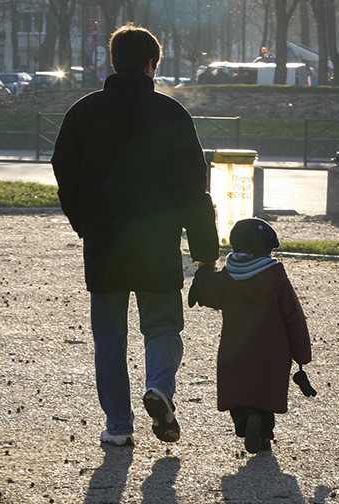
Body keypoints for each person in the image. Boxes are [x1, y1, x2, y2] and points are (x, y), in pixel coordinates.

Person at [51, 24, 219, 447]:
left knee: (109, 339)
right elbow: (193, 189)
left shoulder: (83, 112)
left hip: (104, 244)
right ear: (151, 65)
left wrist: (82, 220)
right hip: (157, 244)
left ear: (113, 62)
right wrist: (205, 252)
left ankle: (119, 426)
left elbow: (64, 171)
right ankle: (159, 386)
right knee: (162, 328)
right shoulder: (172, 114)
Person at [189, 218, 314, 454]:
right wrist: (302, 355)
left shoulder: (228, 278)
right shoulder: (277, 280)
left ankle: (246, 421)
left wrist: (205, 269)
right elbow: (294, 318)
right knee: (266, 393)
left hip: (235, 350)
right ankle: (264, 431)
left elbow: (206, 291)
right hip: (273, 352)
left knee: (240, 393)